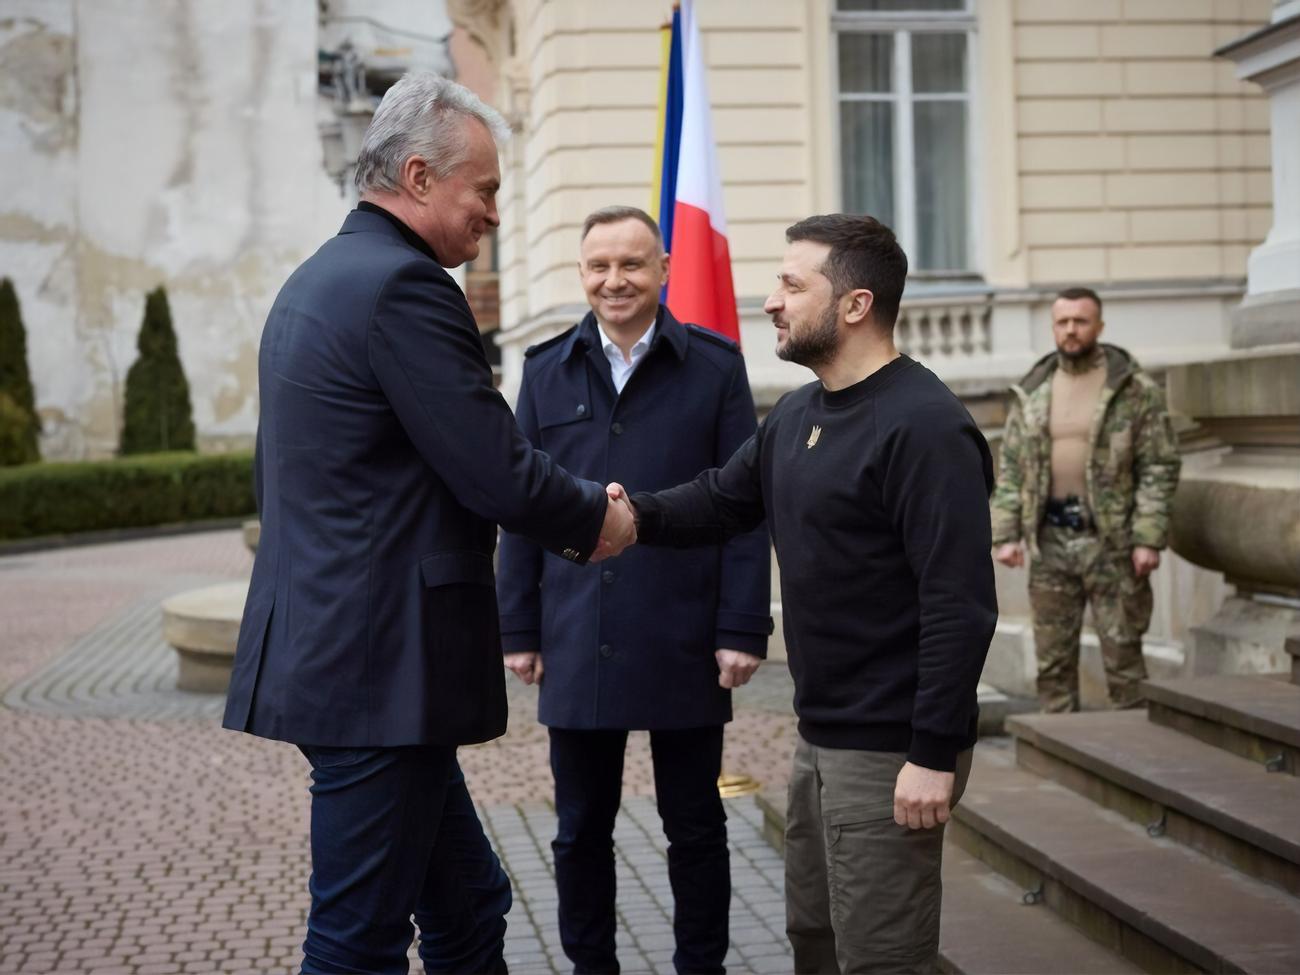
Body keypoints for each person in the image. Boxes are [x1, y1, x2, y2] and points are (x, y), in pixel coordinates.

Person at [221, 72, 636, 974]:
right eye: (482, 189)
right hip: (378, 669)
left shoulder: (317, 279)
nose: (494, 212)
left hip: (348, 656)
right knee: (356, 942)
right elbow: (493, 467)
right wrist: (598, 518)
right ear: (418, 176)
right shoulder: (404, 286)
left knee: (469, 906)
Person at [616, 214, 998, 974]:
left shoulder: (926, 426)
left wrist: (932, 752)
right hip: (820, 736)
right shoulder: (797, 413)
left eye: (792, 284)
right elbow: (720, 500)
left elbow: (960, 605)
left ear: (855, 304)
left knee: (882, 959)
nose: (771, 301)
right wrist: (626, 518)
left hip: (891, 749)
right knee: (815, 941)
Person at [495, 206, 772, 975]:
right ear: (582, 273)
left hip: (684, 630)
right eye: (599, 265)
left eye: (631, 264)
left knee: (696, 825)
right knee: (580, 829)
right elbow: (520, 506)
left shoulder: (715, 367)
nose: (614, 280)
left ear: (663, 270)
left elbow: (746, 506)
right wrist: (518, 627)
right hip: (578, 631)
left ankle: (701, 966)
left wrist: (742, 625)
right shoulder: (544, 369)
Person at [990, 287, 1180, 713]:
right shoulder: (1033, 391)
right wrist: (1005, 534)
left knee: (1124, 661)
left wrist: (1148, 537)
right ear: (1053, 328)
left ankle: (1135, 748)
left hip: (1112, 543)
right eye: (1063, 322)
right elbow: (1013, 468)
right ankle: (1057, 745)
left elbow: (1159, 465)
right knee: (1052, 664)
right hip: (1050, 543)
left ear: (1099, 326)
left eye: (1081, 321)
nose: (1071, 330)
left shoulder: (1132, 390)